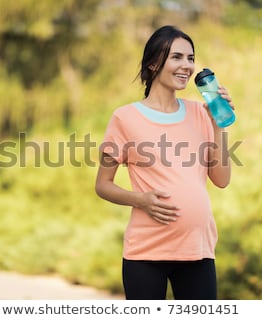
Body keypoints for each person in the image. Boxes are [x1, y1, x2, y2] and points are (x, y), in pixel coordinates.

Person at [95, 25, 235, 300]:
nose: (187, 66)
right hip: (146, 253)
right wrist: (141, 200)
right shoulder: (125, 118)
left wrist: (219, 123)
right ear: (154, 63)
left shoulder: (200, 112)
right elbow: (102, 185)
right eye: (177, 57)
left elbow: (221, 180)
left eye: (191, 58)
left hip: (198, 249)